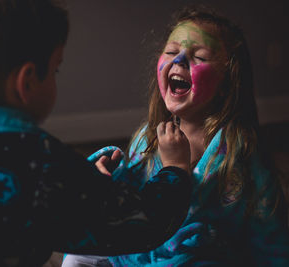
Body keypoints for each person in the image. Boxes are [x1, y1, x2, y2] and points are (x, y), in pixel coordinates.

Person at [0, 1, 194, 266]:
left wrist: (84, 181)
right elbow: (143, 223)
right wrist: (175, 169)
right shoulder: (41, 164)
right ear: (26, 82)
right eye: (55, 69)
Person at [63, 5, 289, 267]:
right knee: (76, 255)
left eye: (200, 57)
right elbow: (131, 202)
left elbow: (269, 228)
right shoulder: (148, 136)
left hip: (194, 258)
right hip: (138, 252)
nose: (179, 60)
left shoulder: (239, 152)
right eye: (171, 52)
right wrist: (107, 181)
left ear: (228, 82)